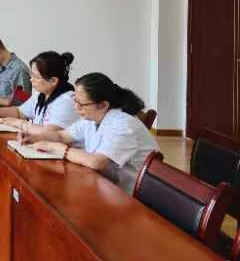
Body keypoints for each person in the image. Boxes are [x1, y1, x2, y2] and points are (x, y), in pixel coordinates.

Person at [18, 72, 159, 194]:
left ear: (103, 105)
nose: (76, 108)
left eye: (81, 104)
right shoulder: (92, 117)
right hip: (106, 185)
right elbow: (62, 135)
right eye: (75, 100)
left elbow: (96, 162)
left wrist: (55, 147)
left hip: (131, 196)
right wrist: (34, 137)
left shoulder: (123, 125)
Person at [0, 51, 79, 135]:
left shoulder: (68, 100)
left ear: (53, 81)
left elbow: (50, 133)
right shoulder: (41, 94)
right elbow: (19, 112)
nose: (31, 80)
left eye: (36, 77)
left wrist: (19, 123)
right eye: (32, 75)